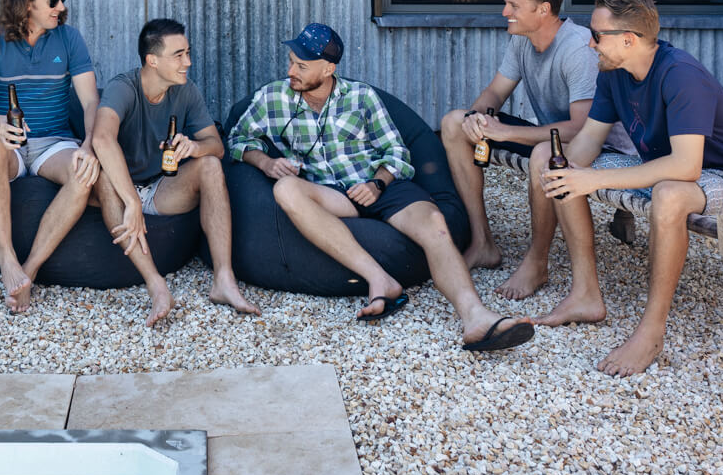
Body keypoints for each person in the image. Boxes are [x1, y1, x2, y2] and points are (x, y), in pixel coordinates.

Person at [227, 23, 534, 351]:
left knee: (435, 224)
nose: (291, 71)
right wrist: (266, 163)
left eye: (301, 66)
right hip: (331, 193)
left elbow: (398, 152)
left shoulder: (361, 97)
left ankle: (476, 316)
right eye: (291, 62)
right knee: (286, 189)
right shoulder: (273, 97)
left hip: (381, 186)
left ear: (328, 69)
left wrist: (377, 183)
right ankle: (380, 279)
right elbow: (236, 138)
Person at [534, 0, 723, 376]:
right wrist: (569, 173)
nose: (590, 44)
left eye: (596, 35)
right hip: (659, 168)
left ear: (628, 39)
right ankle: (585, 294)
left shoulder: (681, 75)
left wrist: (592, 178)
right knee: (557, 163)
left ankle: (651, 331)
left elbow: (687, 166)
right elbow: (589, 139)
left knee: (669, 194)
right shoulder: (613, 72)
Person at [439, 0, 633, 298]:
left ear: (543, 10)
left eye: (513, 5)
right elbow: (495, 92)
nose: (505, 12)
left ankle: (537, 261)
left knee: (544, 155)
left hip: (599, 147)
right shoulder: (522, 41)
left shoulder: (577, 49)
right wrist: (477, 117)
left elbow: (581, 129)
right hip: (552, 135)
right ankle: (482, 242)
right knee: (454, 123)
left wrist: (505, 133)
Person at [92, 18, 259, 326]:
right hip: (119, 189)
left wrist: (195, 147)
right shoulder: (123, 87)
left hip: (160, 188)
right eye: (179, 55)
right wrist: (131, 201)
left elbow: (217, 147)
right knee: (102, 175)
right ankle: (156, 285)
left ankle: (224, 280)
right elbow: (101, 139)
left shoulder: (186, 91)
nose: (188, 62)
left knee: (210, 165)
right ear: (152, 60)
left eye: (188, 53)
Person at [0, 0, 102, 313]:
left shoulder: (69, 39)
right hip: (6, 143)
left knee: (83, 172)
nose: (61, 7)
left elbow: (90, 102)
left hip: (52, 143)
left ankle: (30, 269)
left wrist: (89, 144)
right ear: (27, 2)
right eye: (53, 0)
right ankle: (6, 256)